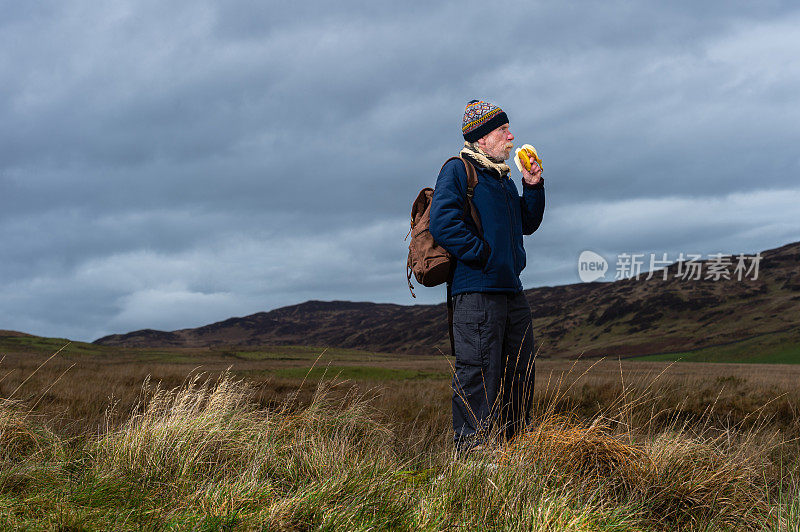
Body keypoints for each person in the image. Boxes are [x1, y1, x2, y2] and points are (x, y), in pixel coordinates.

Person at [429, 99, 545, 454]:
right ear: (481, 140)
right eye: (502, 131)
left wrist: (533, 185)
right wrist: (482, 256)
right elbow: (443, 222)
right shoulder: (459, 171)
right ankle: (474, 455)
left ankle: (512, 447)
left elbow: (527, 223)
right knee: (477, 373)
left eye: (508, 130)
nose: (511, 137)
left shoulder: (504, 178)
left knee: (519, 370)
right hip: (476, 290)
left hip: (511, 290)